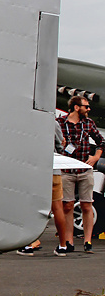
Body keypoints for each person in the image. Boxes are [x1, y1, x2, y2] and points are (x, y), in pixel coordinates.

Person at [58, 96, 102, 255]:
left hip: (84, 170)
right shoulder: (60, 123)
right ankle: (68, 240)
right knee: (68, 205)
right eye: (86, 106)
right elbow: (50, 140)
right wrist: (59, 144)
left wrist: (96, 156)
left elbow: (101, 142)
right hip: (67, 171)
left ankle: (88, 241)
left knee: (86, 204)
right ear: (76, 107)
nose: (89, 109)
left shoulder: (88, 123)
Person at [18, 120, 68, 255]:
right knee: (58, 208)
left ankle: (29, 244)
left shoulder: (27, 121)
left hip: (34, 171)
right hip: (53, 170)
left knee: (30, 207)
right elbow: (60, 146)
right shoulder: (53, 123)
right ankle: (63, 245)